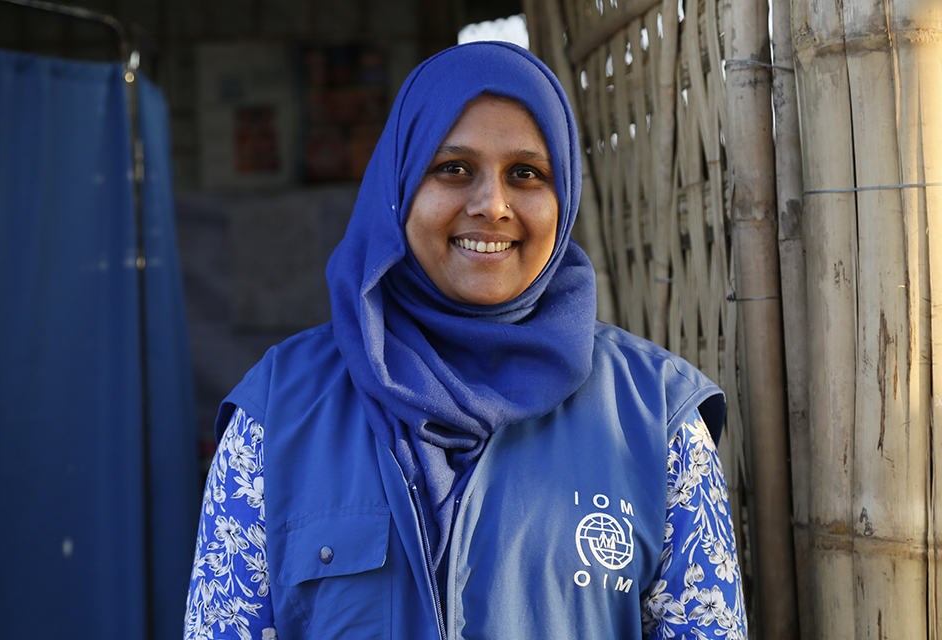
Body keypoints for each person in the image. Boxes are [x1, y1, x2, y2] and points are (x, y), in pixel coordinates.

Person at [184, 41, 747, 640]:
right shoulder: (277, 411)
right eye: (453, 168)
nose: (492, 205)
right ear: (399, 185)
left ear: (565, 198)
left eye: (526, 174)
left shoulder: (657, 416)